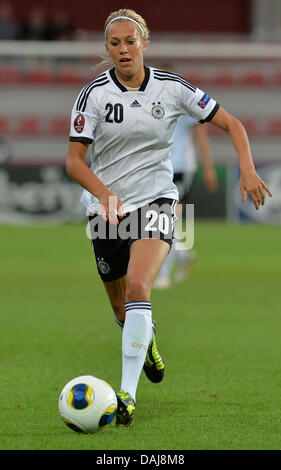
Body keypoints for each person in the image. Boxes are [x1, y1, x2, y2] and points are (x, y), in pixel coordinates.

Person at [66, 8, 272, 427]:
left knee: (141, 285)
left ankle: (126, 395)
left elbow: (231, 123)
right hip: (106, 210)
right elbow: (74, 162)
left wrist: (247, 169)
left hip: (156, 200)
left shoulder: (173, 88)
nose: (122, 50)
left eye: (130, 41)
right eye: (114, 43)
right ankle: (148, 338)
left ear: (145, 43)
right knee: (123, 308)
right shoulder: (93, 96)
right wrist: (104, 195)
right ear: (107, 49)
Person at [154, 114, 217, 288]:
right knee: (159, 221)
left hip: (181, 168)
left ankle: (164, 275)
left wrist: (208, 168)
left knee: (168, 220)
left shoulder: (186, 100)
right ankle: (182, 255)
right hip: (159, 167)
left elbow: (201, 135)